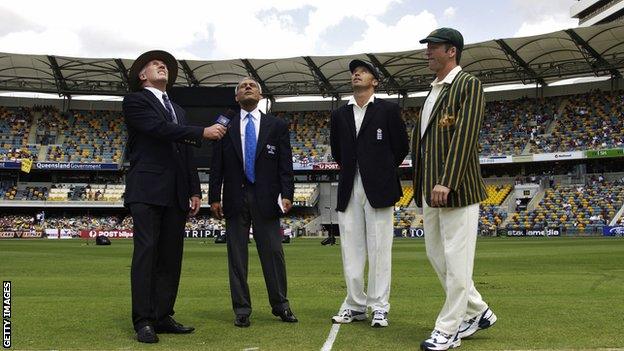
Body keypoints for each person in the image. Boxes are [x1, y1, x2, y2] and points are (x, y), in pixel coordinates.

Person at [123, 50, 226, 343]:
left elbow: (184, 152)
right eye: (155, 64)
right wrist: (201, 131)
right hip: (147, 188)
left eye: (165, 65)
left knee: (171, 257)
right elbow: (159, 129)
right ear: (142, 75)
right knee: (147, 253)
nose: (162, 66)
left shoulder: (178, 110)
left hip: (176, 192)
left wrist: (194, 189)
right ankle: (143, 319)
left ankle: (162, 314)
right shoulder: (135, 101)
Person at [411, 28, 496, 350]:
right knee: (437, 256)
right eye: (428, 47)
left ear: (452, 51)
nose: (427, 52)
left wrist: (447, 180)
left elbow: (465, 137)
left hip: (455, 189)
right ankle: (478, 310)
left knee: (456, 260)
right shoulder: (433, 89)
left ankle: (449, 329)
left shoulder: (468, 84)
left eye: (434, 47)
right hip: (430, 190)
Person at [209, 77, 297, 328]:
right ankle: (242, 310)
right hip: (235, 198)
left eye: (253, 86)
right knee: (236, 256)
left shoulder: (276, 125)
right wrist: (214, 196)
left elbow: (285, 164)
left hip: (267, 198)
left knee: (273, 254)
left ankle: (281, 305)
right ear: (236, 97)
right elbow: (217, 165)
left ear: (260, 96)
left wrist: (287, 194)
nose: (247, 87)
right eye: (242, 86)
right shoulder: (224, 126)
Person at [329, 59, 409, 328]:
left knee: (379, 249)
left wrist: (380, 170)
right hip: (349, 186)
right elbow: (338, 151)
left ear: (375, 81)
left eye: (362, 72)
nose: (356, 75)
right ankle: (355, 304)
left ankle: (379, 307)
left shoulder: (388, 109)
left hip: (380, 187)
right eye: (354, 73)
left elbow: (401, 147)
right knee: (351, 249)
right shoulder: (340, 114)